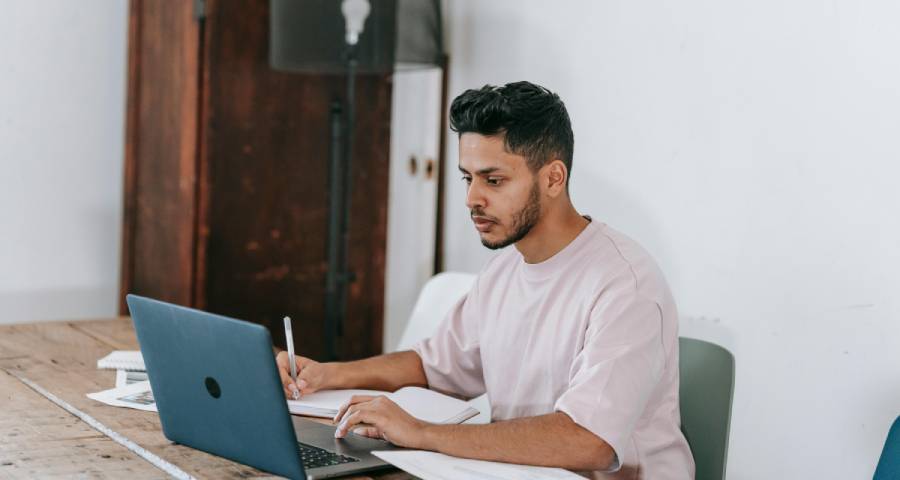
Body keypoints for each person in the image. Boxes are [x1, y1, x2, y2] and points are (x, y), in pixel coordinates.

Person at [277, 81, 694, 478]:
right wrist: (328, 374)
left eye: (493, 180)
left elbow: (590, 440)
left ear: (553, 178)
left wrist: (423, 434)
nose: (472, 199)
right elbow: (434, 365)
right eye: (468, 177)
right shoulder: (504, 271)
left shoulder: (625, 284)